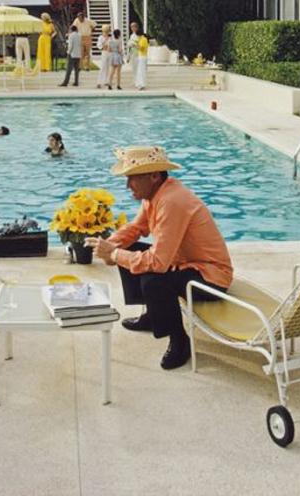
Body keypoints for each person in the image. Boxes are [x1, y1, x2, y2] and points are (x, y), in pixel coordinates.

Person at [87, 146, 233, 370]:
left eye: (132, 178)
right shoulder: (154, 194)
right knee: (132, 248)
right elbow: (136, 228)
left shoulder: (172, 201)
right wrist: (109, 245)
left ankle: (179, 341)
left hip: (211, 277)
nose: (127, 186)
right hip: (185, 264)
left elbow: (158, 263)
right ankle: (152, 316)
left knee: (153, 280)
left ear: (154, 176)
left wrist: (114, 254)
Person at [128, 22, 149, 91]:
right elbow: (130, 47)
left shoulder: (142, 39)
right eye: (131, 27)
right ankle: (137, 82)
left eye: (134, 27)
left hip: (141, 56)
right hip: (136, 55)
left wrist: (135, 45)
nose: (132, 28)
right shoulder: (132, 36)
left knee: (141, 70)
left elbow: (142, 48)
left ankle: (141, 83)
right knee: (136, 69)